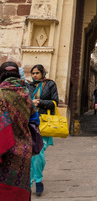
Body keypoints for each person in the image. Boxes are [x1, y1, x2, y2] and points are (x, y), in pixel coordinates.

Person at [0, 61, 39, 201]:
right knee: (20, 189)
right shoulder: (25, 95)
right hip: (23, 150)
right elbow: (36, 121)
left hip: (4, 150)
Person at [29, 64, 59, 196]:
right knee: (31, 154)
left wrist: (39, 102)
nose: (35, 75)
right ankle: (29, 183)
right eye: (33, 73)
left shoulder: (50, 85)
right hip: (30, 122)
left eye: (37, 73)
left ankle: (38, 180)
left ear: (43, 73)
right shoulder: (29, 86)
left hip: (45, 122)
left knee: (39, 152)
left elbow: (54, 102)